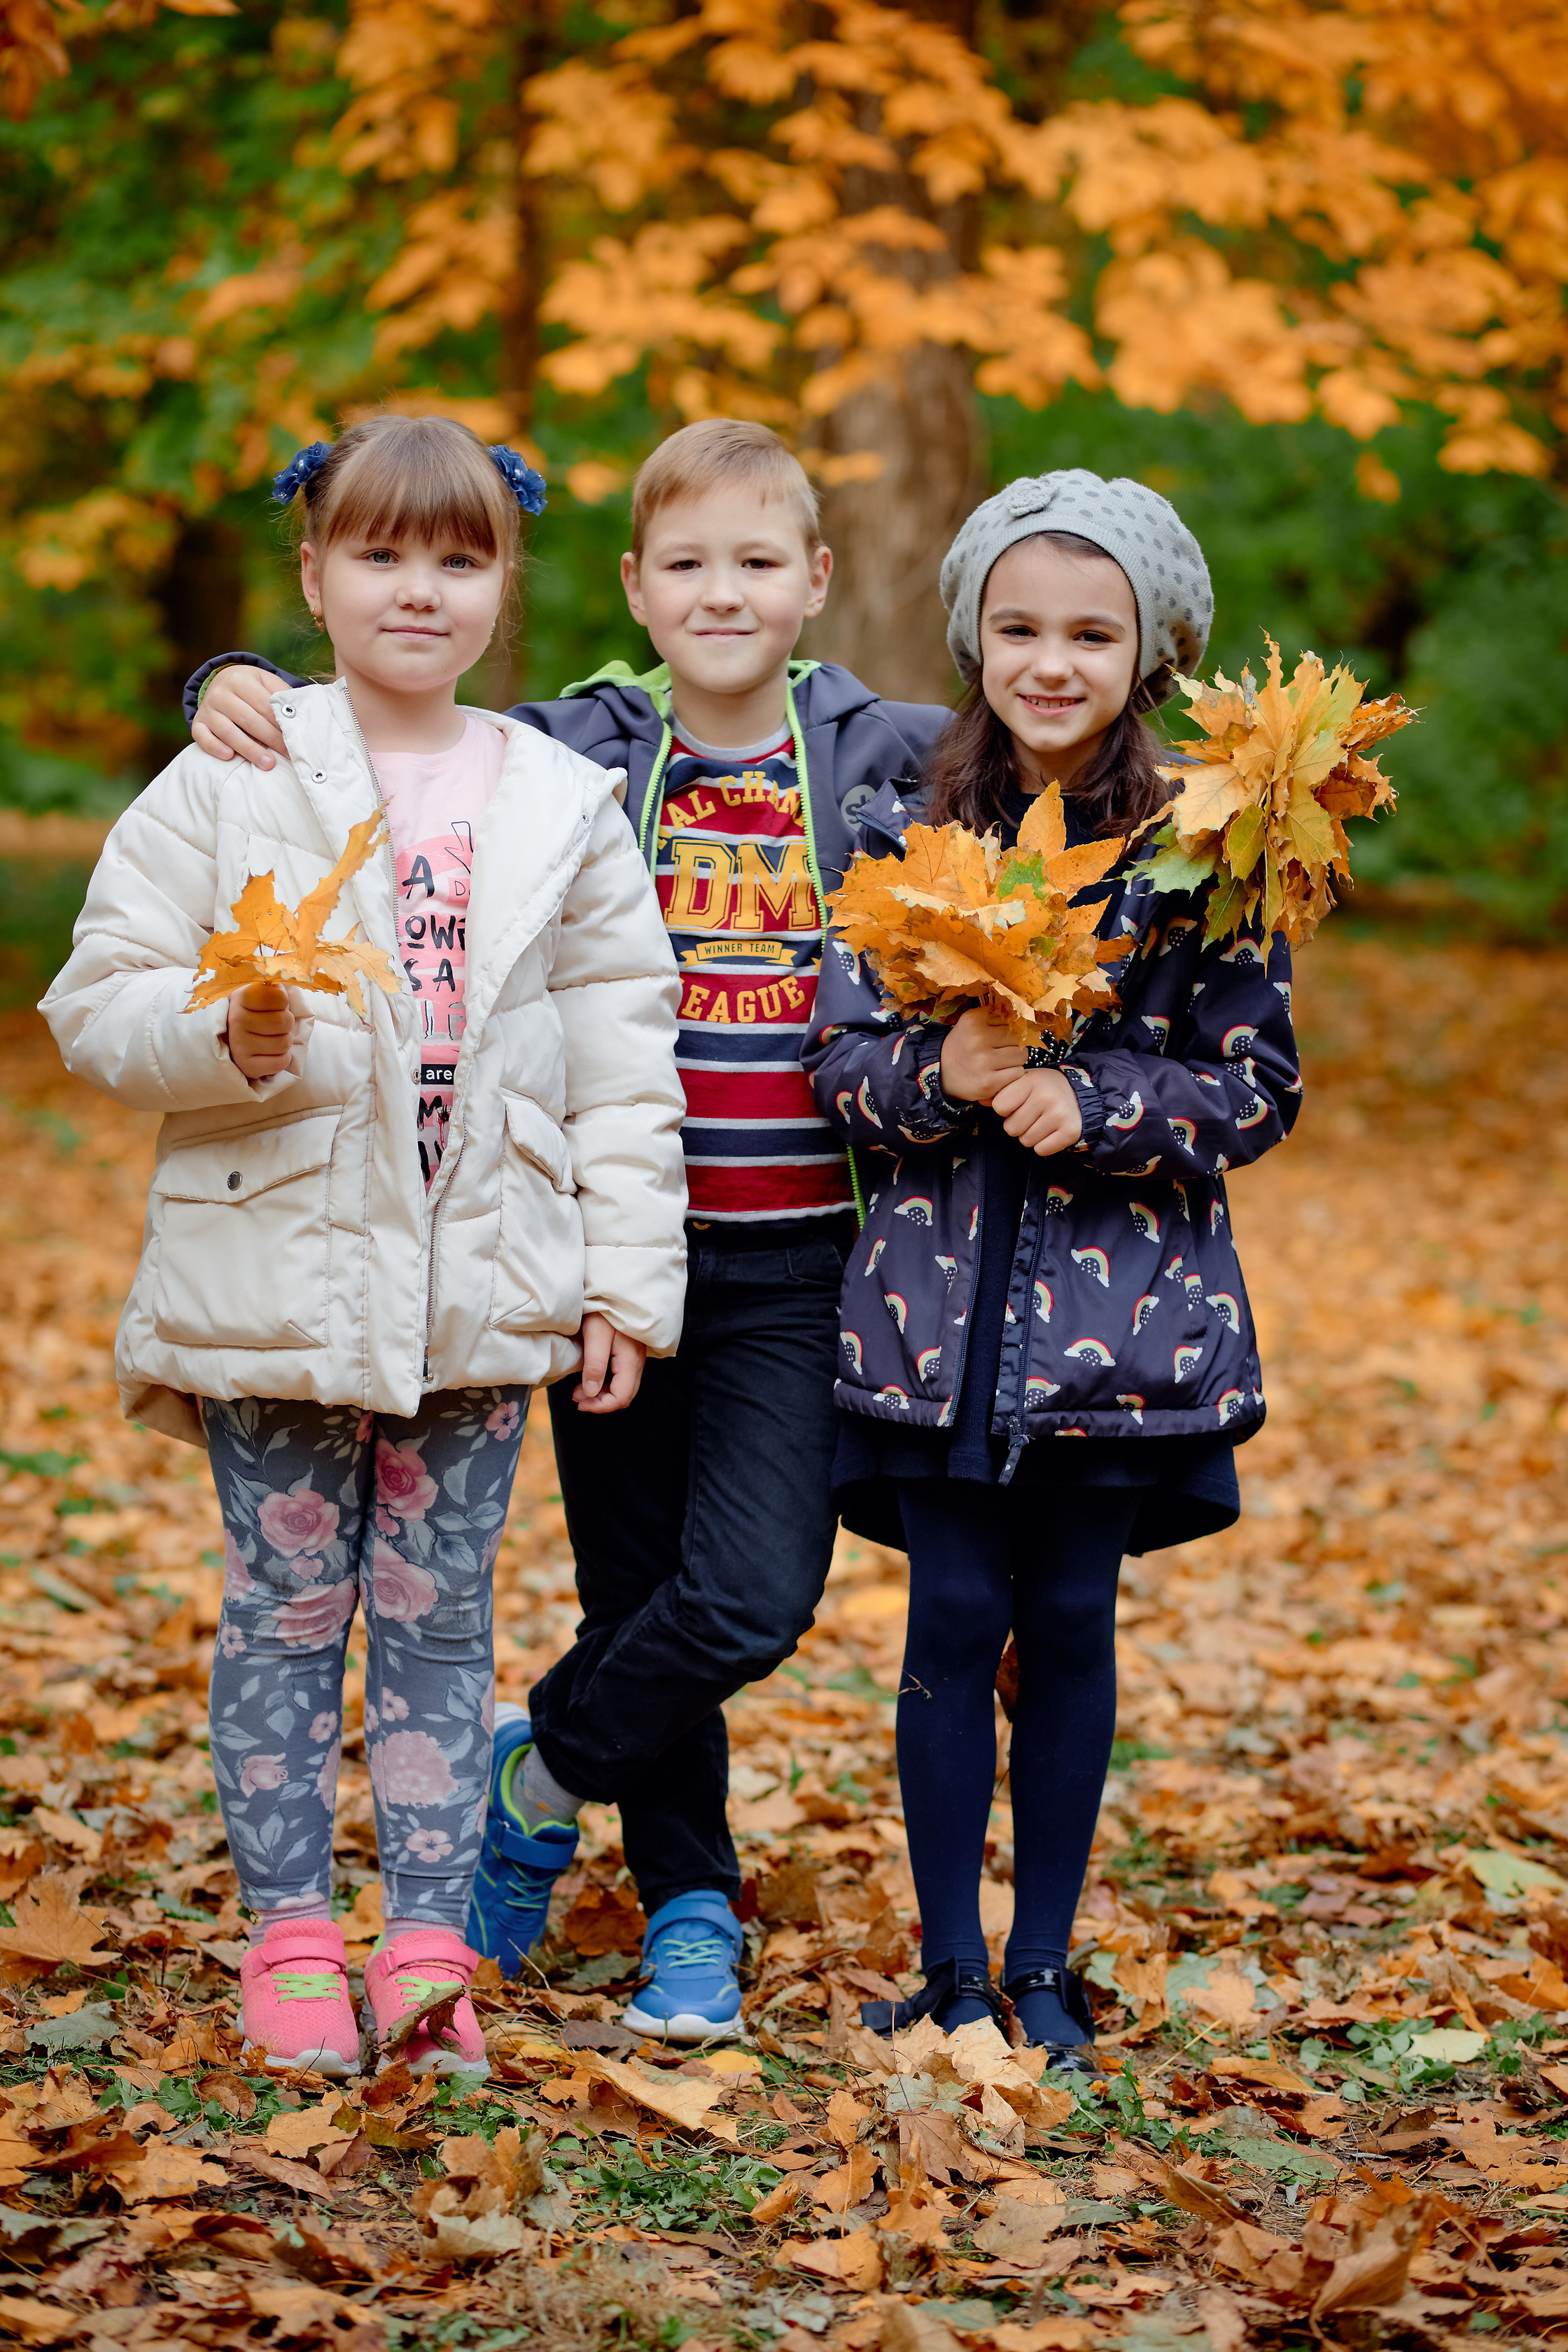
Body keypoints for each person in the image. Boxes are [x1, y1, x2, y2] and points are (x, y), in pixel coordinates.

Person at [177, 419, 953, 2040]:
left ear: (815, 579)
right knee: (631, 1587)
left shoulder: (886, 756)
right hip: (597, 1249)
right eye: (687, 563)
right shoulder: (575, 747)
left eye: (758, 562)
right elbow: (392, 717)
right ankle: (687, 1910)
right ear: (631, 584)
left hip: (801, 1249)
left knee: (744, 1597)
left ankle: (543, 1767)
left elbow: (1047, 760)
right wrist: (225, 683)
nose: (722, 593)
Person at [42, 414, 687, 2080]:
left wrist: (627, 1273)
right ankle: (288, 1936)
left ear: (505, 586)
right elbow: (98, 998)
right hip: (284, 1267)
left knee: (438, 1617)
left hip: (479, 1284)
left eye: (459, 559)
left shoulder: (560, 797)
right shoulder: (235, 769)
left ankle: (424, 1941)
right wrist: (231, 1037)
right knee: (280, 1609)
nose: (420, 590)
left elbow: (625, 1053)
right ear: (314, 574)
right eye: (381, 554)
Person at [806, 470, 1302, 2071]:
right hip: (933, 1312)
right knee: (950, 1611)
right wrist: (936, 1074)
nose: (1051, 660)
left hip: (1122, 1318)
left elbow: (1253, 1086)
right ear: (972, 636)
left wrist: (1096, 1104)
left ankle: (1041, 1966)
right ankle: (948, 1965)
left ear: (1146, 652)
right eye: (1018, 627)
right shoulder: (906, 820)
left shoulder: (1210, 847)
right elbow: (839, 1062)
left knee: (1070, 1616)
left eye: (1091, 632)